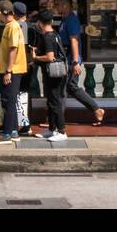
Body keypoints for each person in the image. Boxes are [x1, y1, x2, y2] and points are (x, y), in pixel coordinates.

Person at [56, 0, 105, 126]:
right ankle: (96, 109)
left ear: (66, 6)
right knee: (69, 87)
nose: (57, 7)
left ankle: (57, 119)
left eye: (59, 4)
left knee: (67, 87)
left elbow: (74, 40)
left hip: (71, 59)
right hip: (67, 58)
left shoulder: (71, 20)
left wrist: (76, 61)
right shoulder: (65, 19)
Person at [0, 0, 27, 145]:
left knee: (9, 101)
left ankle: (7, 134)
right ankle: (14, 131)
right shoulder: (10, 26)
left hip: (12, 70)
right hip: (10, 69)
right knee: (10, 100)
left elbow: (13, 49)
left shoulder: (13, 27)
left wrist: (8, 71)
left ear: (2, 12)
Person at [29, 9, 68, 141]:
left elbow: (50, 57)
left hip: (53, 74)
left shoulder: (47, 37)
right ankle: (52, 130)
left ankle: (62, 132)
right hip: (55, 74)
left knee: (55, 102)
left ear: (40, 22)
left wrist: (36, 57)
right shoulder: (55, 34)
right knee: (51, 101)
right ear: (51, 21)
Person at [12, 0, 32, 136]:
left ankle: (25, 125)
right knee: (24, 94)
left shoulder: (21, 26)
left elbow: (20, 47)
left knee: (21, 94)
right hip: (28, 64)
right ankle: (24, 124)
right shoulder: (29, 25)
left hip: (22, 65)